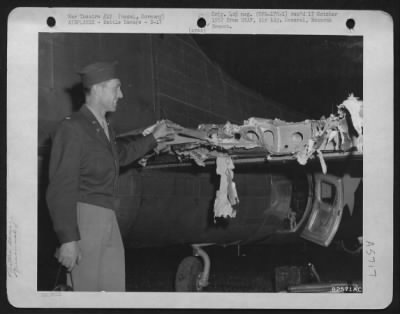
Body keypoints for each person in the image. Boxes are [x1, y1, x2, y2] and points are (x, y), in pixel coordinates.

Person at [46, 61, 175, 291]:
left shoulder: (103, 127)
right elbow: (60, 188)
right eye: (116, 87)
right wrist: (68, 239)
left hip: (108, 217)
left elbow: (121, 156)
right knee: (85, 295)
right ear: (97, 89)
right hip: (84, 218)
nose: (122, 94)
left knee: (114, 289)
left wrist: (153, 138)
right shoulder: (73, 128)